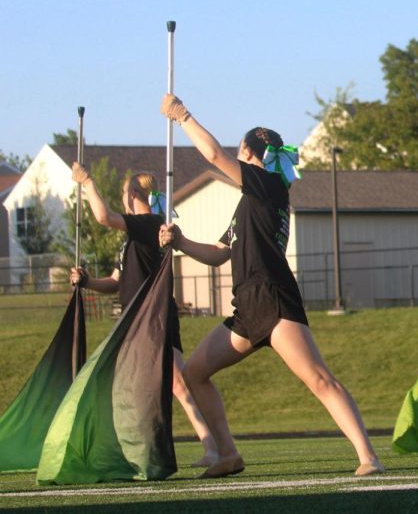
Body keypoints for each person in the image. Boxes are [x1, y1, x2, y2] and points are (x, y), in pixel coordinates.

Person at [157, 93, 383, 478]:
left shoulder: (268, 184)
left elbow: (212, 155)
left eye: (240, 150)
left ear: (249, 151)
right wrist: (181, 243)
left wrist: (183, 116)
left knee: (318, 379)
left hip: (274, 301)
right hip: (246, 309)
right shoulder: (251, 200)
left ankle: (368, 456)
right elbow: (217, 252)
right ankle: (227, 454)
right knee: (194, 372)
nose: (235, 155)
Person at [68, 164, 219, 468]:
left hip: (154, 318)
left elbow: (102, 217)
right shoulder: (131, 241)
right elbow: (114, 282)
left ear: (132, 194)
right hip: (134, 322)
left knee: (178, 382)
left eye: (124, 193)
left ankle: (214, 447)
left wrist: (88, 182)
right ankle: (137, 449)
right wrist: (87, 282)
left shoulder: (150, 224)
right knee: (145, 386)